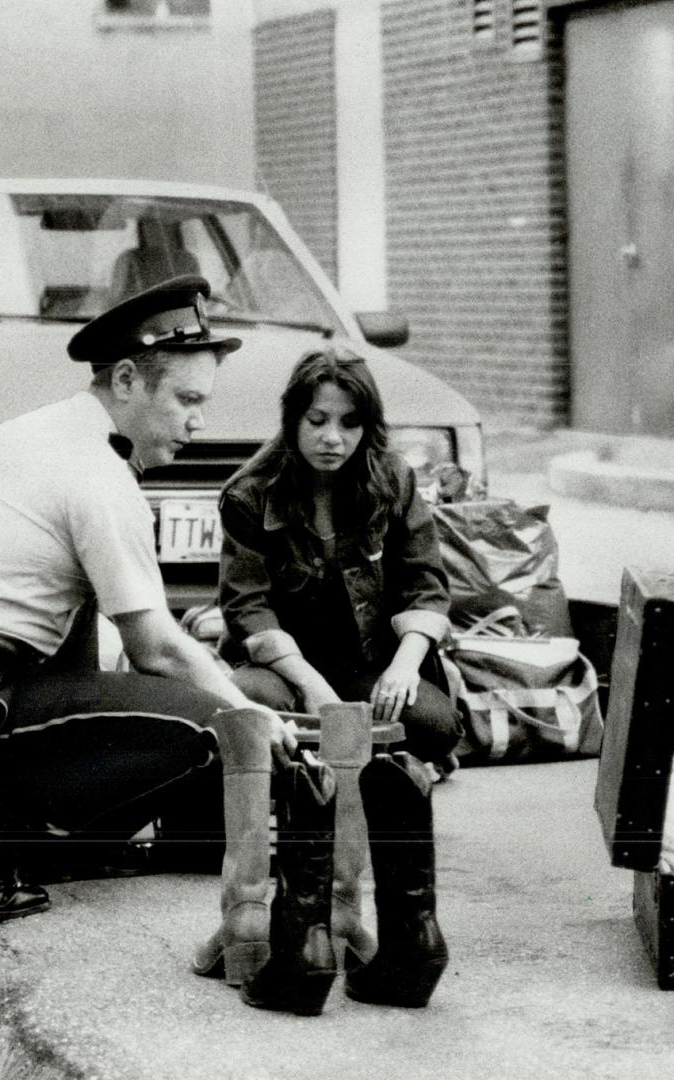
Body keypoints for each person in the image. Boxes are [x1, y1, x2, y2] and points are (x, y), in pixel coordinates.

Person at [0, 275, 303, 997]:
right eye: (186, 401)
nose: (198, 424)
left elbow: (70, 624)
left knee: (151, 684)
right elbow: (157, 647)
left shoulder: (45, 432)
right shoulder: (96, 472)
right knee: (211, 725)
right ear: (126, 379)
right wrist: (253, 717)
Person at [216, 344, 455, 1008]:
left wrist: (406, 664)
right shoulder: (249, 493)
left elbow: (426, 583)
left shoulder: (391, 479)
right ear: (293, 419)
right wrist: (310, 683)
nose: (332, 438)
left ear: (366, 424)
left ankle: (359, 934)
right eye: (318, 420)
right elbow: (246, 605)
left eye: (348, 423)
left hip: (376, 667)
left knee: (427, 721)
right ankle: (274, 920)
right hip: (291, 672)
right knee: (245, 709)